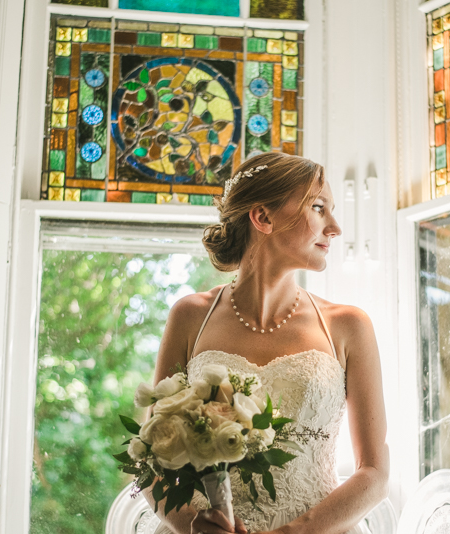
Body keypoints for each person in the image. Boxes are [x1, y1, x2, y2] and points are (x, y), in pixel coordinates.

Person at [143, 152, 390, 534]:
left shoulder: (348, 326)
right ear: (262, 217)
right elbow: (153, 460)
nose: (335, 227)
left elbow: (374, 471)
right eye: (319, 208)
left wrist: (292, 532)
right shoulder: (190, 316)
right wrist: (193, 523)